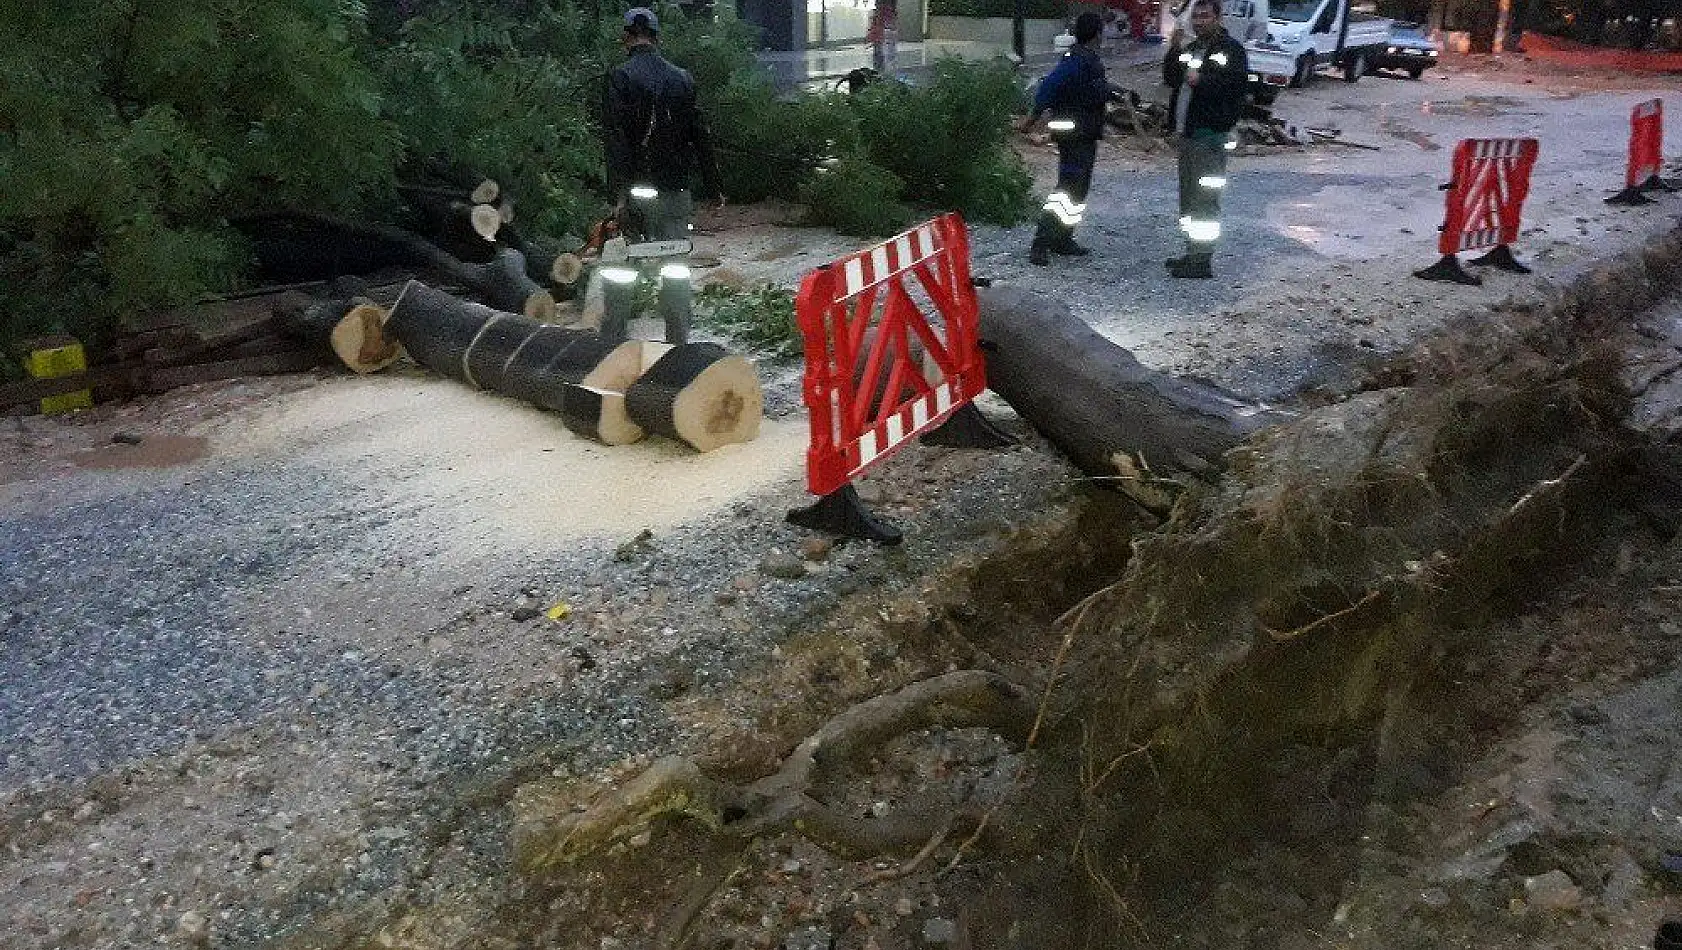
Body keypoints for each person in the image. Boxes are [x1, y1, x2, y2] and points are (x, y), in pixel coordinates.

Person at [601, 6, 722, 344]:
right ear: (656, 37)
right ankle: (678, 341)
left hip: (638, 192)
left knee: (622, 267)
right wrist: (714, 188)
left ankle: (613, 342)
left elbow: (617, 141)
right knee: (675, 267)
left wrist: (617, 197)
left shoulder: (620, 78)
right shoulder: (682, 78)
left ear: (626, 36)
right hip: (676, 191)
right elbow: (700, 135)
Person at [1017, 12, 1111, 267]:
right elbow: (1050, 86)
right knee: (1067, 190)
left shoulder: (1085, 60)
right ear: (1097, 34)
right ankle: (1042, 241)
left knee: (1077, 191)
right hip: (1075, 136)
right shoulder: (1079, 61)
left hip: (1084, 134)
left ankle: (1063, 239)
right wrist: (1033, 117)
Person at [1162, 0, 1247, 278]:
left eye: (1204, 16)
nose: (1199, 22)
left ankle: (1202, 260)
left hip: (1209, 137)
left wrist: (1203, 81)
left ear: (1217, 17)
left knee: (1204, 199)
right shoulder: (1194, 49)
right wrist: (1174, 49)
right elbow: (1173, 78)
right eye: (1195, 17)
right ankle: (1192, 252)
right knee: (1189, 199)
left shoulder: (1230, 50)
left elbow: (1234, 86)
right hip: (1189, 137)